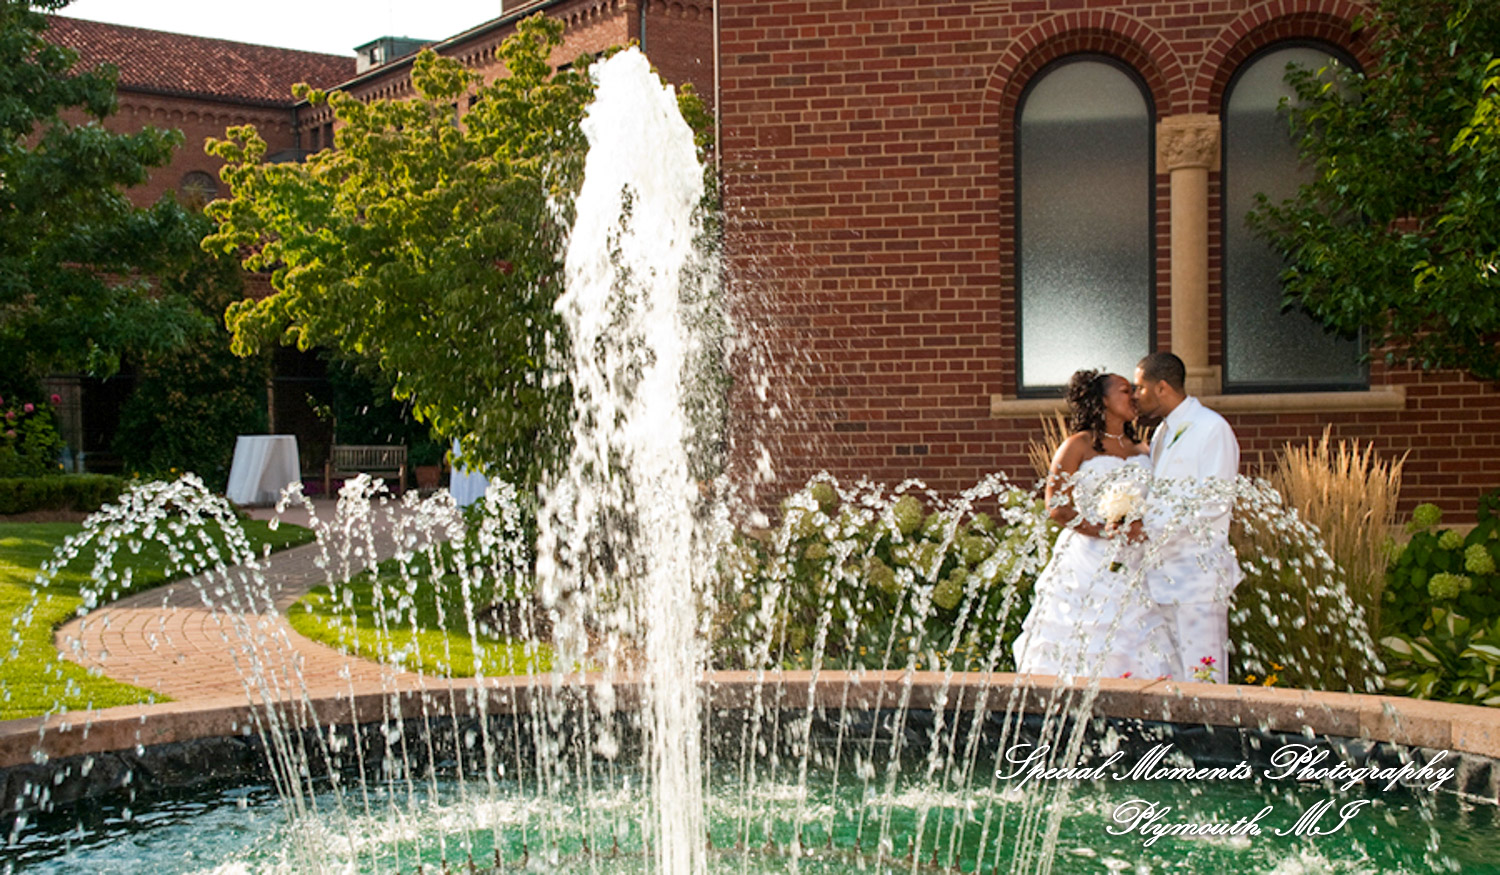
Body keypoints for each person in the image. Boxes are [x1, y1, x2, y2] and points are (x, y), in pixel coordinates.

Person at [1013, 369, 1175, 680]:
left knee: (1138, 628)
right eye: (1126, 391)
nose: (1135, 397)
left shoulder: (1144, 448)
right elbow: (1057, 506)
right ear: (1102, 400)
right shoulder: (1078, 445)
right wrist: (1101, 530)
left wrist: (1142, 523)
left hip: (1136, 558)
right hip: (1087, 558)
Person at [1132, 351, 1242, 682]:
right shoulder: (1161, 433)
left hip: (1198, 577)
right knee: (1172, 673)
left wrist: (1152, 529)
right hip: (1162, 576)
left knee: (1203, 672)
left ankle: (1208, 734)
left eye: (1140, 388)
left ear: (1161, 387)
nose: (1136, 396)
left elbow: (1215, 502)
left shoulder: (1211, 428)